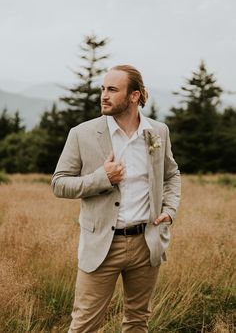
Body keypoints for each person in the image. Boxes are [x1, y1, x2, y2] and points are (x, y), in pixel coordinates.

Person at [52, 65, 181, 333]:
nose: (104, 95)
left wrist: (169, 210)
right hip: (101, 245)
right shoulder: (82, 133)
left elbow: (172, 174)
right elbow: (59, 183)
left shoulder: (158, 132)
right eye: (103, 89)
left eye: (112, 89)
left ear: (134, 96)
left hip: (147, 243)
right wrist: (102, 178)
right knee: (85, 324)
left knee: (137, 322)